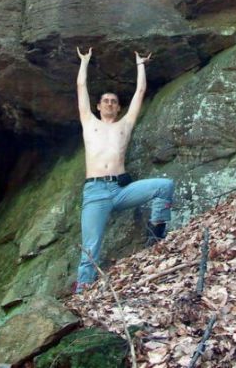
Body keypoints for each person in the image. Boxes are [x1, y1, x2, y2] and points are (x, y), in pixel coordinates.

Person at [74, 46, 175, 292]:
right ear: (98, 106)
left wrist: (140, 65)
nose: (109, 104)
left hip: (119, 190)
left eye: (114, 102)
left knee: (165, 186)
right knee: (90, 248)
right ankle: (82, 292)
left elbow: (140, 92)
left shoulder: (125, 125)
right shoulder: (89, 122)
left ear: (119, 108)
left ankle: (156, 235)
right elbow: (81, 87)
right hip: (95, 192)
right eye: (105, 101)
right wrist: (84, 62)